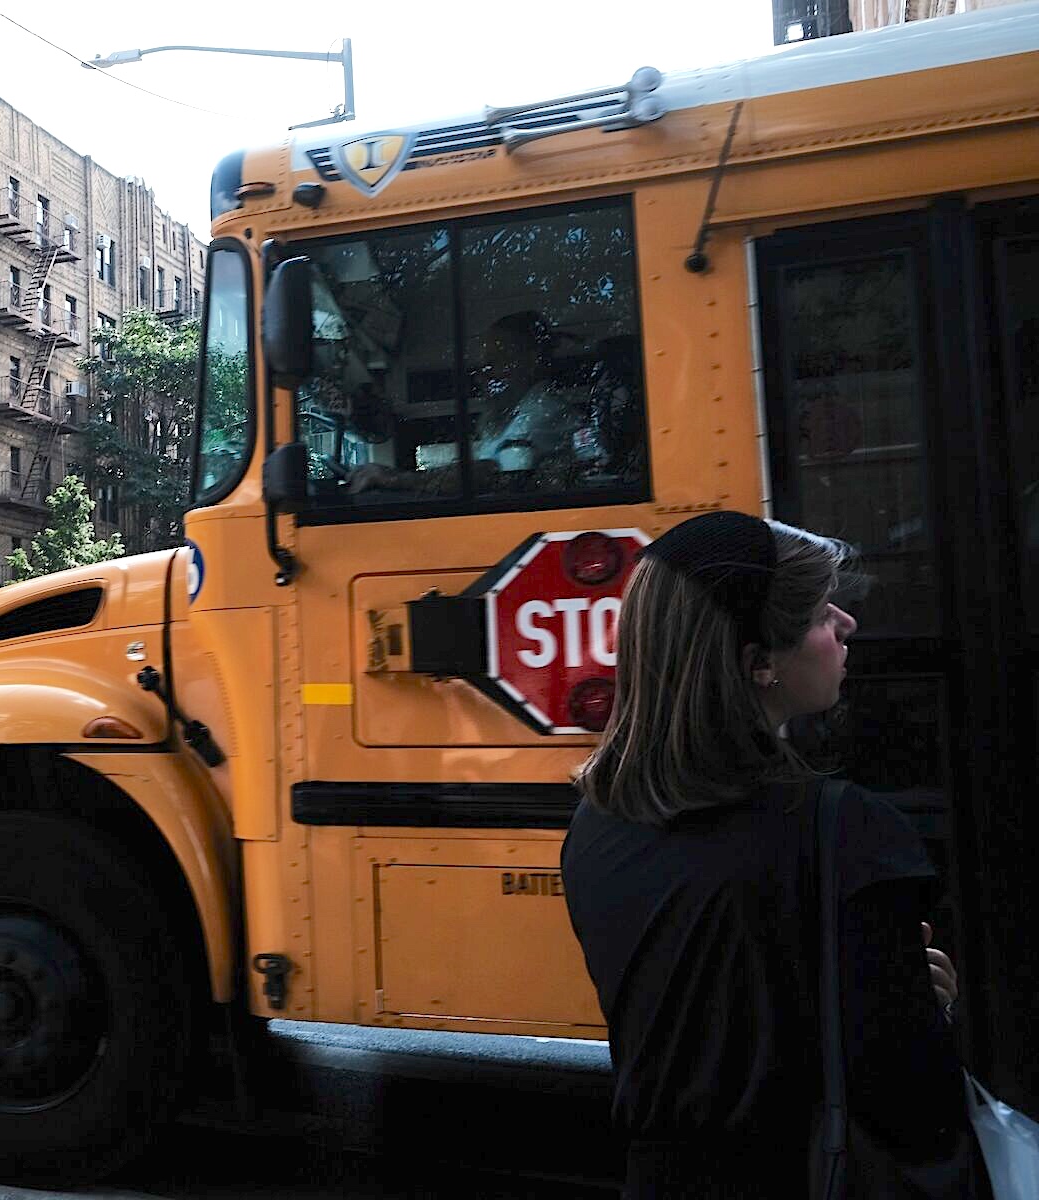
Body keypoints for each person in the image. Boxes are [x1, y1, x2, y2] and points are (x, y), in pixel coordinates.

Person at [561, 511, 980, 1198]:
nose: (844, 624)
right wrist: (925, 1006)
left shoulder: (597, 827)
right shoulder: (847, 831)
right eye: (819, 614)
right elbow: (909, 1097)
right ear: (758, 664)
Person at [347, 310, 577, 495]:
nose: (482, 376)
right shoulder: (514, 413)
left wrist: (396, 478)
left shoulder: (544, 410)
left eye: (494, 364)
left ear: (530, 362)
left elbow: (490, 474)